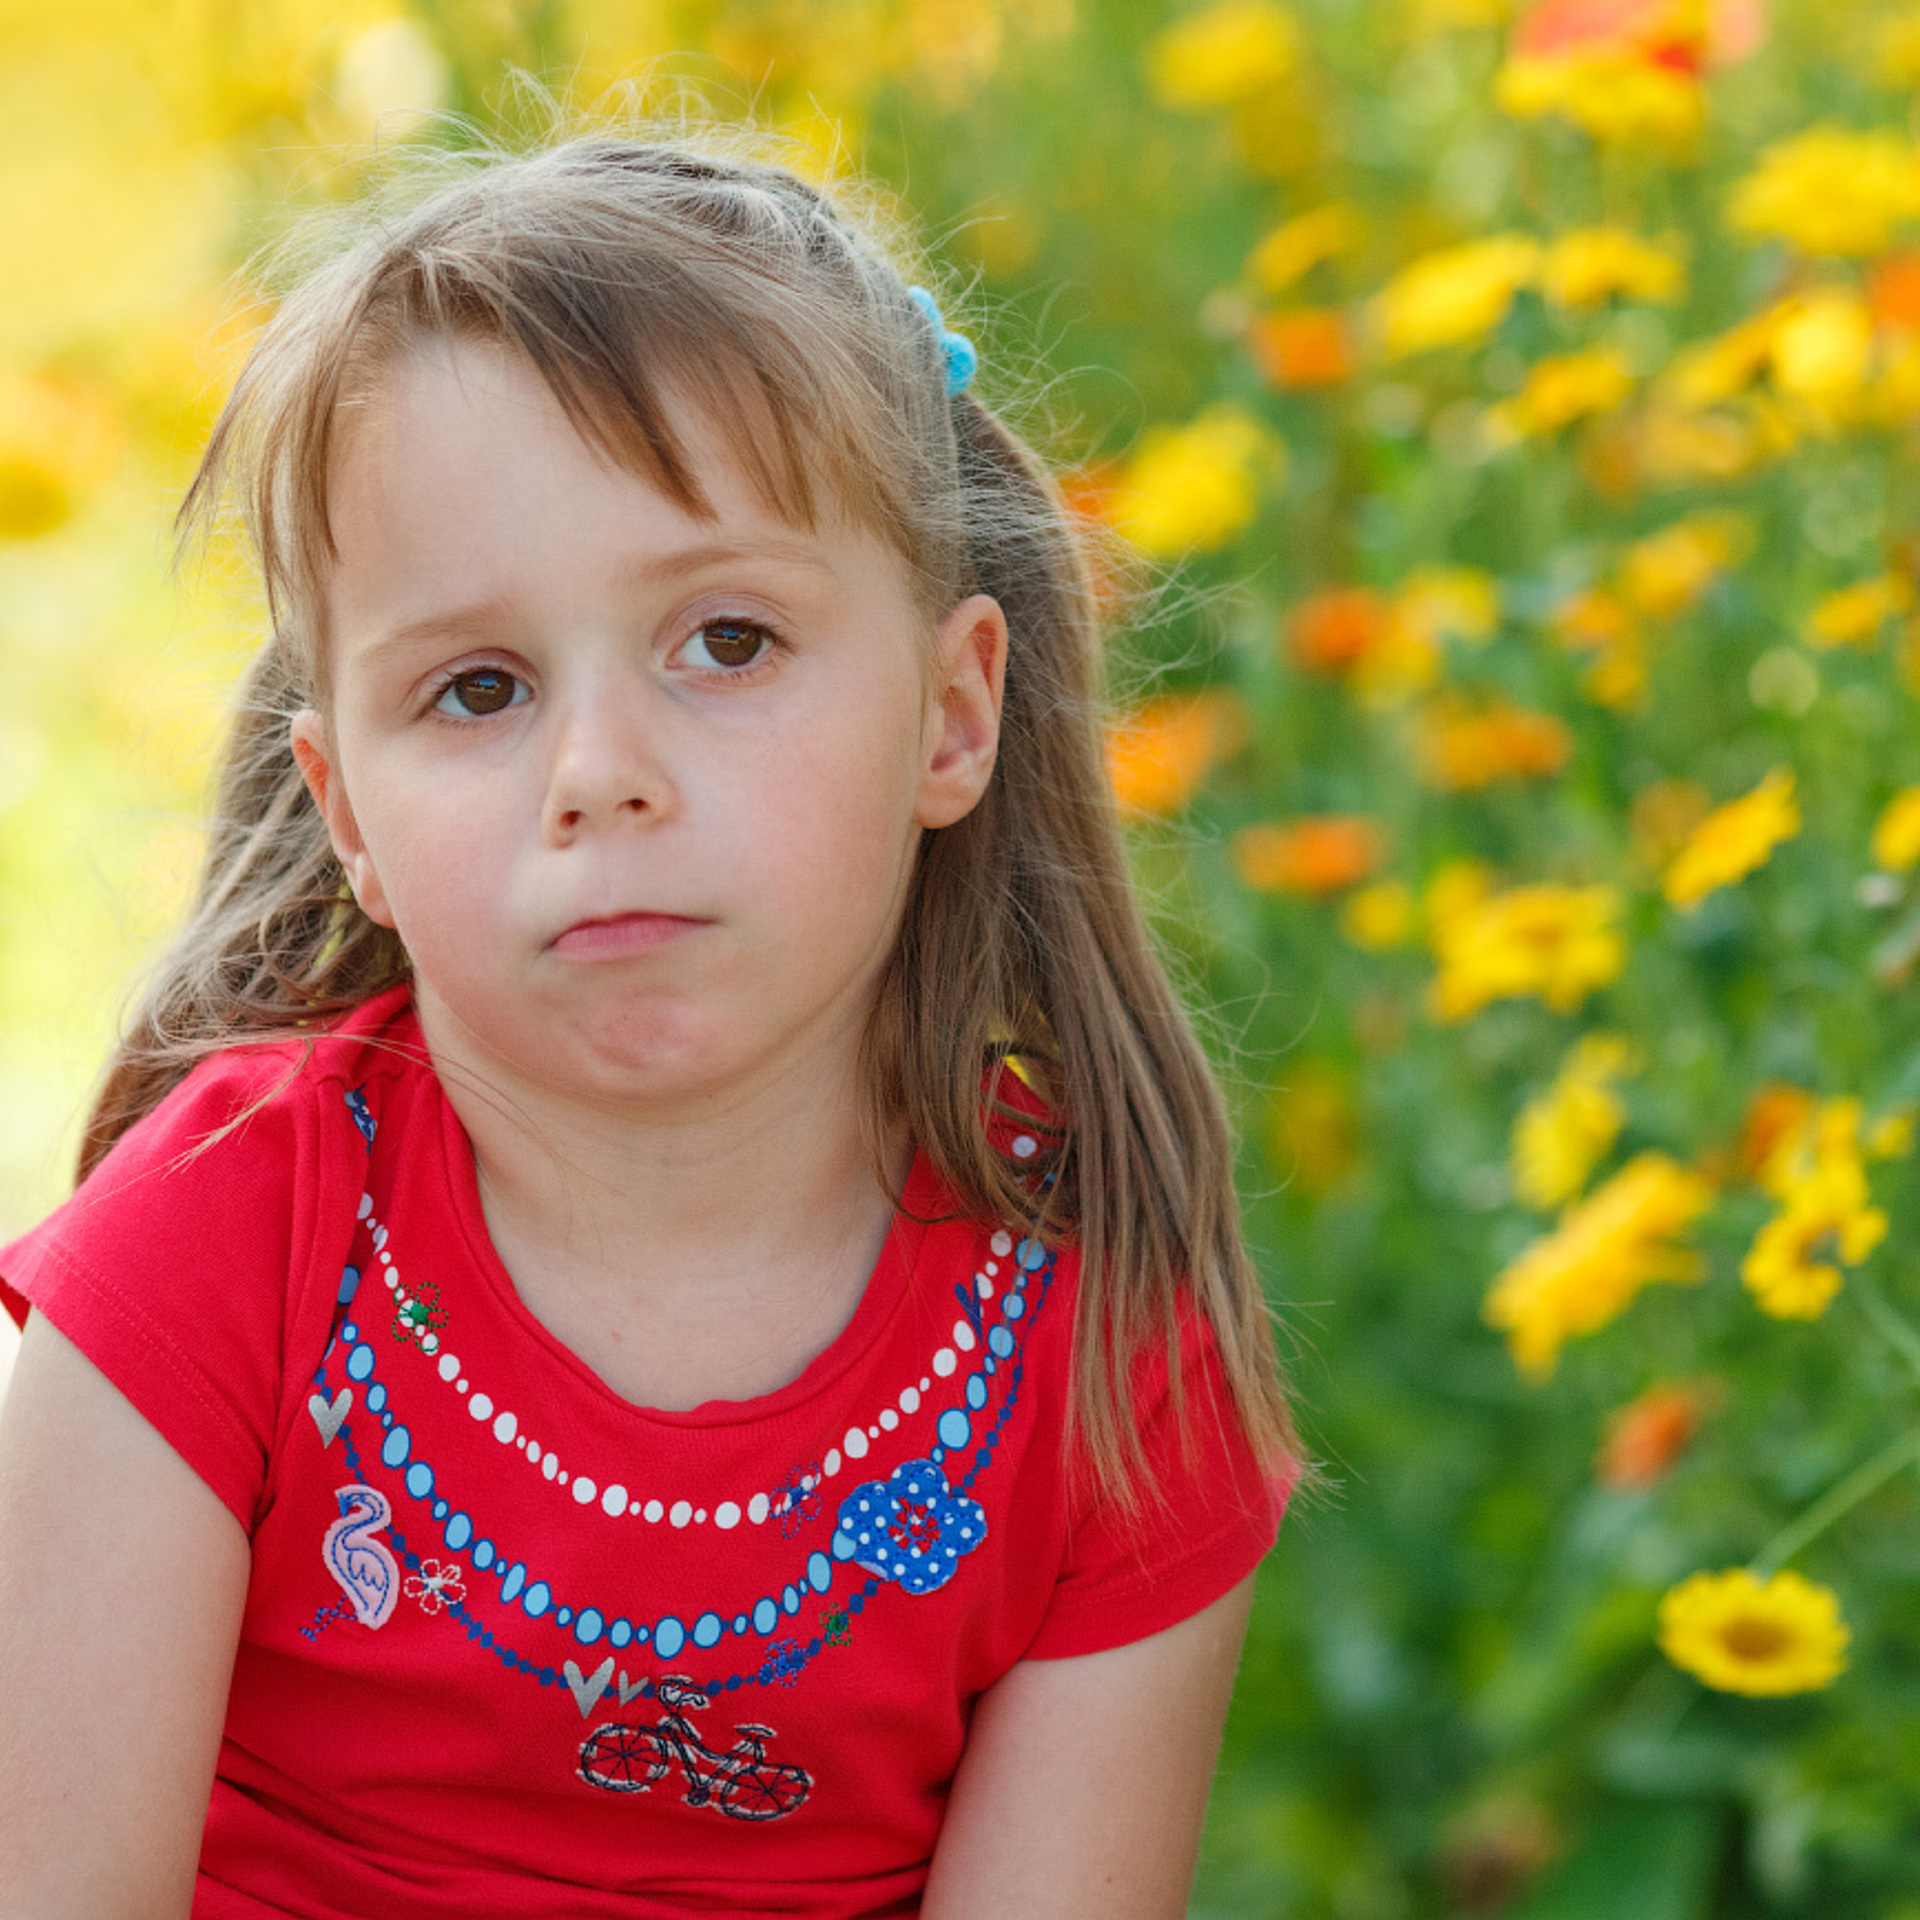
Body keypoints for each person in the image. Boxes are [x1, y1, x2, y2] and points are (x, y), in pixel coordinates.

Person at [0, 127, 1301, 1918]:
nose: (599, 776)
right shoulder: (220, 1250)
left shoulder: (1104, 1364)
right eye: (478, 688)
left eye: (731, 642)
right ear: (351, 812)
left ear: (950, 711)